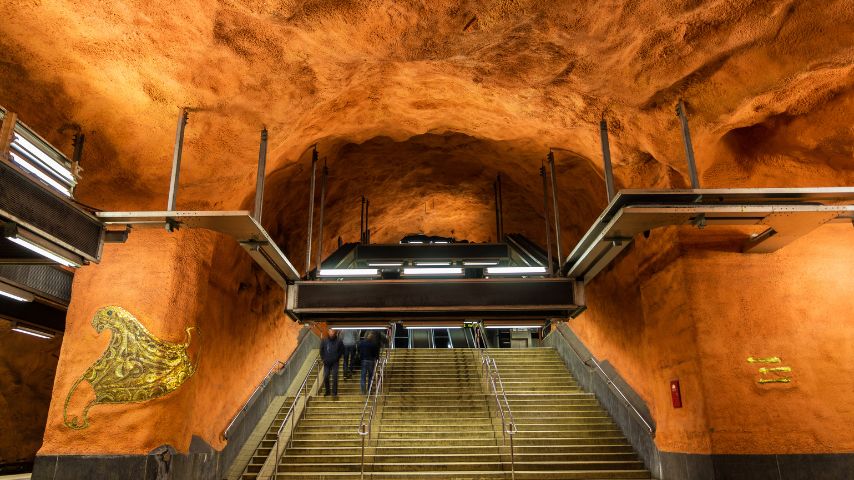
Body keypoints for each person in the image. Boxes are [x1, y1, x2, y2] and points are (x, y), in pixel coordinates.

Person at [320, 329, 344, 398]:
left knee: (335, 377)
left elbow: (342, 350)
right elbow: (321, 350)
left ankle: (334, 392)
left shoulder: (339, 340)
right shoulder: (324, 340)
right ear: (328, 332)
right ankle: (327, 391)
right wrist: (323, 359)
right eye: (330, 331)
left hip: (335, 362)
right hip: (326, 362)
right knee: (326, 376)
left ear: (335, 332)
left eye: (333, 332)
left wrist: (337, 357)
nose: (331, 333)